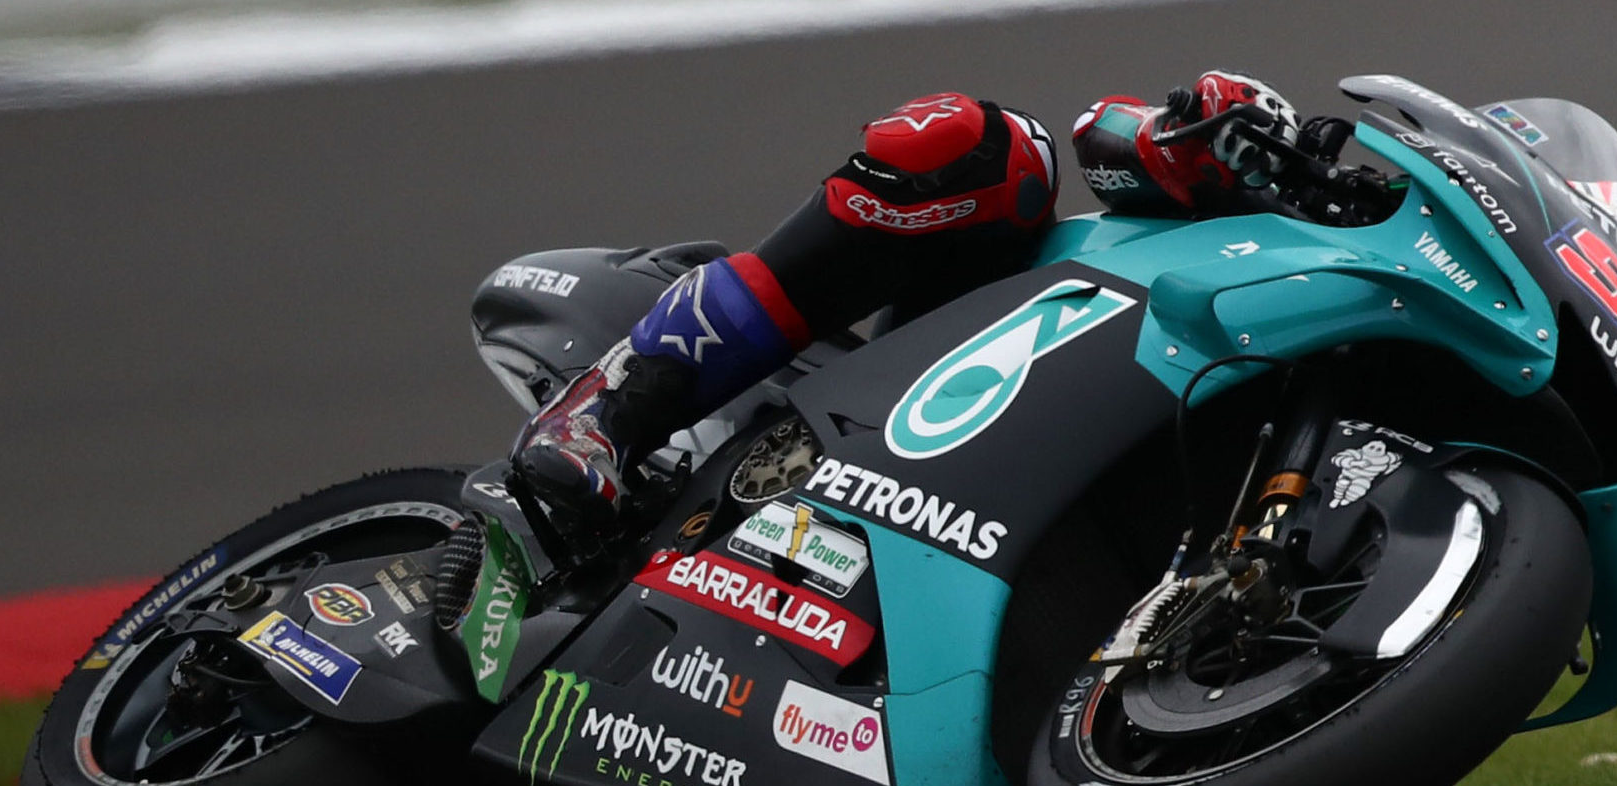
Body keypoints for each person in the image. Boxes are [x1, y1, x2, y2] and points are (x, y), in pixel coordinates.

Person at [510, 71, 1325, 538]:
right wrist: (1204, 138)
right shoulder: (1295, 207)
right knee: (986, 146)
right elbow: (1102, 136)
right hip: (968, 368)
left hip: (1075, 525)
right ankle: (606, 407)